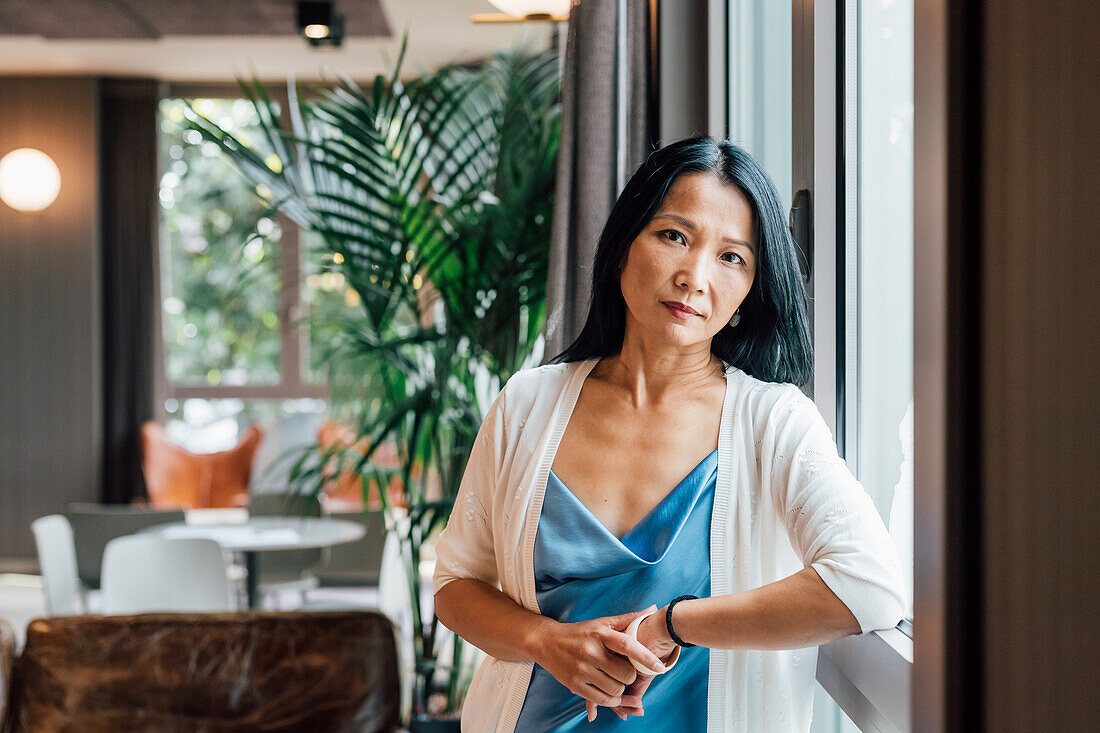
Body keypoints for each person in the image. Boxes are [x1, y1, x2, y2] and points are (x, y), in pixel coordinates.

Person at [432, 137, 906, 732]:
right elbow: (456, 584)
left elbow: (870, 584)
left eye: (731, 257)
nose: (694, 276)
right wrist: (544, 640)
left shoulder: (774, 423)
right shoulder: (527, 404)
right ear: (624, 248)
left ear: (747, 295)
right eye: (674, 236)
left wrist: (673, 623)